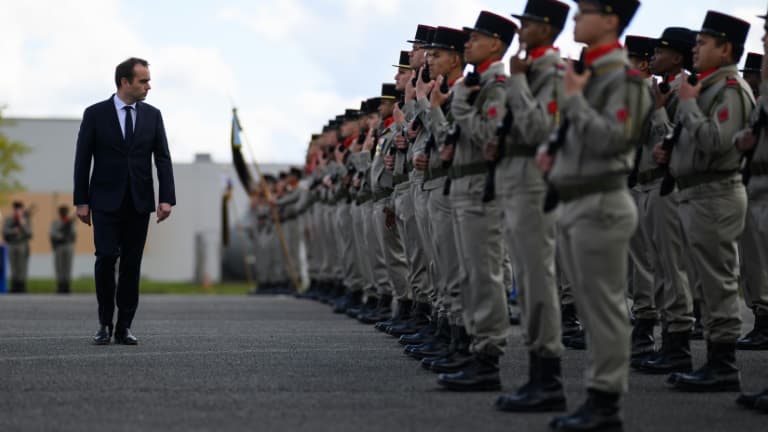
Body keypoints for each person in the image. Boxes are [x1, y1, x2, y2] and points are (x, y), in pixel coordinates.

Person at [537, 0, 651, 429]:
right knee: (591, 308)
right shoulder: (590, 75)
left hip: (601, 201)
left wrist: (573, 102)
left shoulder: (624, 79)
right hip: (577, 199)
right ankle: (596, 397)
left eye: (585, 11)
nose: (576, 19)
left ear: (610, 20)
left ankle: (606, 404)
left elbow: (612, 140)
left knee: (604, 310)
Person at [654, 10, 754, 393]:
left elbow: (717, 142)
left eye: (703, 43)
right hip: (696, 192)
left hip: (715, 193)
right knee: (705, 280)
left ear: (726, 48)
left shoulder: (729, 88)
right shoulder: (709, 87)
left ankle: (723, 364)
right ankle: (712, 360)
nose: (695, 48)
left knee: (717, 282)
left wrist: (689, 106)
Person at [493, 0, 570, 413]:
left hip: (535, 184)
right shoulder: (531, 69)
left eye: (529, 22)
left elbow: (540, 128)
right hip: (516, 181)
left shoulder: (551, 72)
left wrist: (518, 85)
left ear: (548, 28)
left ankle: (549, 376)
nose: (522, 28)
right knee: (527, 279)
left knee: (538, 281)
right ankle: (538, 373)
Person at [435, 10, 517, 392]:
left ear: (496, 44)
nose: (466, 43)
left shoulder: (497, 84)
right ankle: (473, 346)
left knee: (485, 275)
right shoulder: (477, 83)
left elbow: (490, 136)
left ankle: (488, 358)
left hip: (482, 188)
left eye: (476, 38)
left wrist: (461, 109)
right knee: (470, 274)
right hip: (463, 185)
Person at [74, 57, 176, 345]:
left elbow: (163, 158)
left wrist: (166, 198)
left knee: (132, 263)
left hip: (139, 201)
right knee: (106, 258)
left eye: (148, 80)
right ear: (124, 82)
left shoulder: (153, 116)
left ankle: (124, 326)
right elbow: (83, 159)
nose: (148, 86)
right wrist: (81, 200)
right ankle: (105, 323)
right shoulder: (95, 114)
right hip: (104, 200)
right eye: (143, 81)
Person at [2, 201, 32, 293]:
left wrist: (22, 224)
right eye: (15, 209)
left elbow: (29, 233)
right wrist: (13, 231)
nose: (17, 211)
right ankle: (14, 286)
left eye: (19, 209)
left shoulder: (26, 219)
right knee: (13, 266)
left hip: (22, 244)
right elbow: (5, 232)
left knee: (22, 266)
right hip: (12, 244)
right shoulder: (9, 219)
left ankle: (22, 286)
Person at [50, 205, 76, 294]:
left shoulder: (70, 222)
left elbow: (73, 235)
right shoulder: (56, 222)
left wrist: (67, 234)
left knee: (68, 266)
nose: (63, 213)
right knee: (59, 267)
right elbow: (52, 234)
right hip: (59, 246)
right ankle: (60, 286)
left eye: (65, 211)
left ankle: (67, 286)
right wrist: (61, 236)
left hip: (68, 245)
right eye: (62, 211)